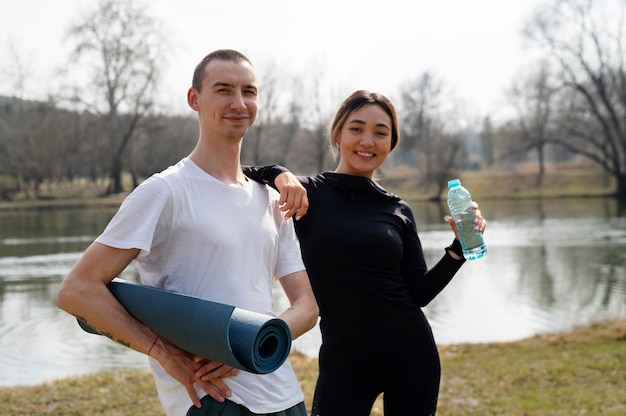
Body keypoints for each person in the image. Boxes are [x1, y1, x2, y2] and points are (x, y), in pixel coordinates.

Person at [56, 49, 319, 416]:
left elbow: (307, 307)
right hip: (213, 399)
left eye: (249, 91)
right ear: (194, 99)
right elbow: (77, 290)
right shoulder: (165, 191)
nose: (239, 103)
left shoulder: (272, 200)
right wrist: (161, 352)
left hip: (283, 394)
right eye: (224, 90)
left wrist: (252, 345)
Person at [243, 90, 487, 416]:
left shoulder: (397, 208)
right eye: (357, 128)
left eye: (380, 133)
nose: (368, 141)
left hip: (411, 353)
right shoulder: (307, 193)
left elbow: (420, 292)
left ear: (391, 143)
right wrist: (278, 173)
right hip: (345, 357)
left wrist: (459, 248)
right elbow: (235, 174)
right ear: (338, 134)